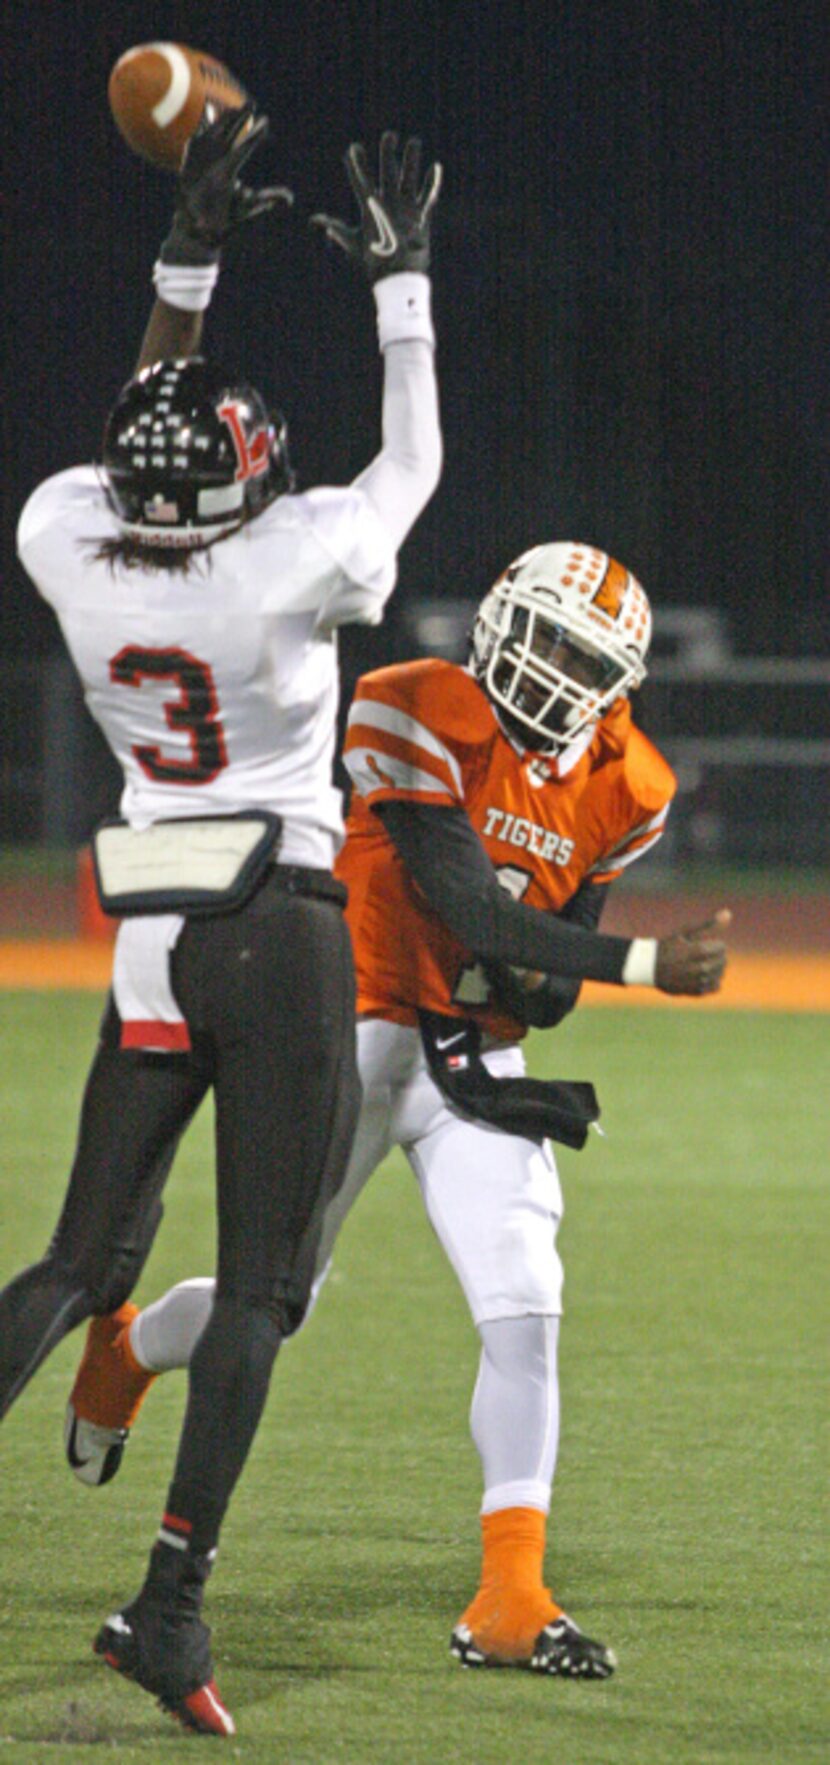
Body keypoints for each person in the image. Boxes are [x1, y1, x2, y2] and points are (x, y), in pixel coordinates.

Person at [64, 542, 730, 1686]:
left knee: (525, 1299)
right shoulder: (411, 702)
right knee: (280, 1298)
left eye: (583, 655)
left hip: (473, 1058)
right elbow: (463, 895)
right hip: (354, 1029)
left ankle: (510, 1597)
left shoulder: (632, 783)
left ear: (617, 679)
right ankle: (128, 1348)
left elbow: (549, 972)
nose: (555, 666)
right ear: (499, 618)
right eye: (548, 635)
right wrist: (636, 963)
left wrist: (549, 987)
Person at [1, 109, 443, 1737]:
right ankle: (171, 1608)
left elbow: (141, 425)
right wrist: (401, 285)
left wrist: (183, 257)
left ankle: (162, 1584)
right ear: (248, 479)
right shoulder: (289, 563)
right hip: (274, 908)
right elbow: (410, 467)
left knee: (72, 1259)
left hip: (146, 907)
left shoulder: (64, 536)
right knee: (261, 1289)